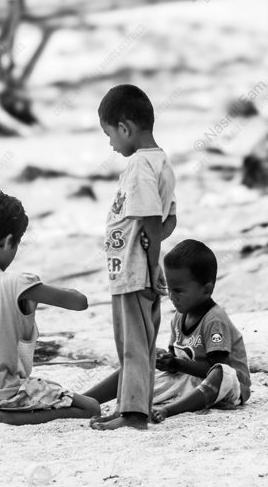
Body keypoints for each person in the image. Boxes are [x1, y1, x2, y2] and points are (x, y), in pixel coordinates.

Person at [0, 190, 100, 425]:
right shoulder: (18, 283)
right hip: (1, 394)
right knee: (92, 407)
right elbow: (79, 302)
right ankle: (3, 416)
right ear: (7, 242)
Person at [87, 84, 177, 430]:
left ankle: (134, 414)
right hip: (136, 269)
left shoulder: (141, 165)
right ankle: (129, 405)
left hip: (135, 271)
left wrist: (152, 266)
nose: (110, 143)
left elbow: (153, 224)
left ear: (124, 128)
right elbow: (169, 221)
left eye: (109, 135)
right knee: (135, 343)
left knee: (134, 345)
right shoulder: (161, 162)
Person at [86, 239, 251, 423]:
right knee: (142, 360)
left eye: (179, 291)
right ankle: (87, 400)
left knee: (221, 372)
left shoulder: (214, 320)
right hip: (191, 381)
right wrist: (165, 360)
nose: (172, 296)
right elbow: (176, 360)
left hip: (227, 385)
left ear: (207, 290)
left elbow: (215, 367)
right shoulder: (178, 318)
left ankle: (168, 410)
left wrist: (177, 364)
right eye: (169, 289)